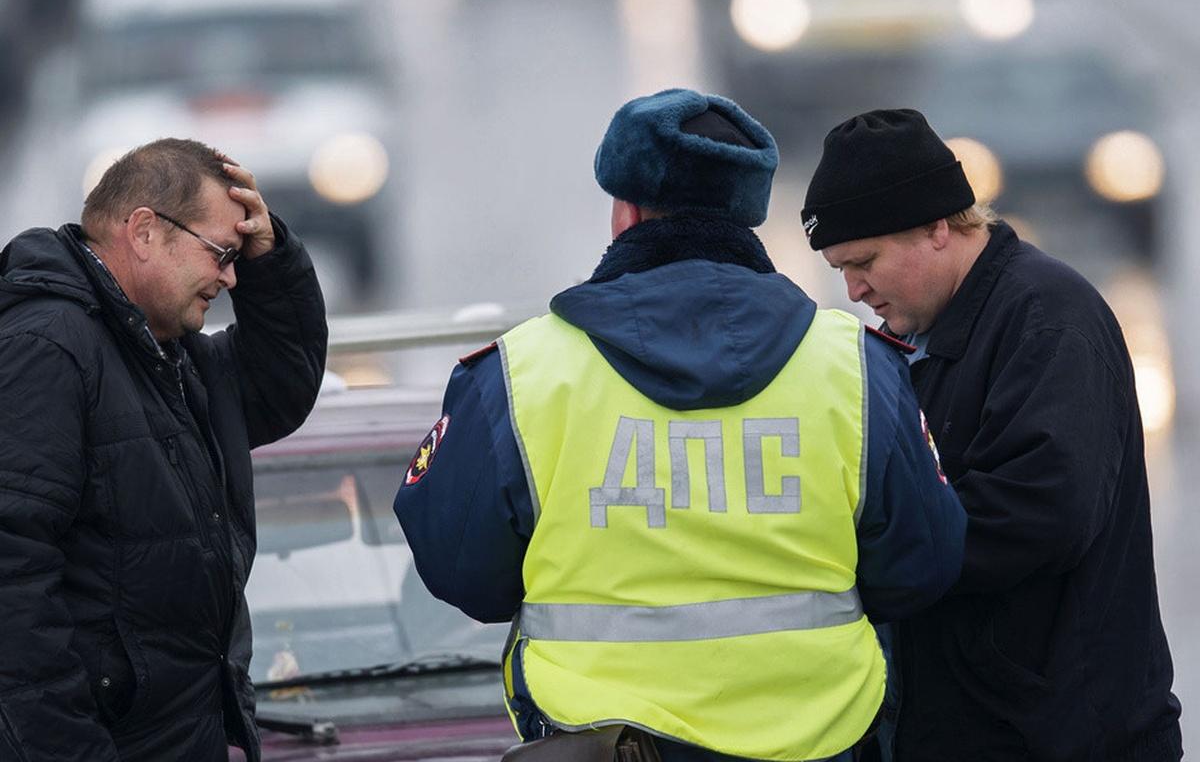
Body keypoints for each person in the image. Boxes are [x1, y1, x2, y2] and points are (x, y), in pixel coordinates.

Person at [393, 89, 966, 762]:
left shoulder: (522, 374)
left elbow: (463, 573)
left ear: (626, 211)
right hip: (821, 739)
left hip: (600, 740)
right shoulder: (855, 367)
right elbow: (923, 562)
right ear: (745, 216)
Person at [803, 108, 1183, 761]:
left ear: (935, 226)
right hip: (979, 731)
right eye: (839, 268)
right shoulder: (915, 341)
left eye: (863, 261)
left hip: (1063, 737)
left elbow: (1041, 511)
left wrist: (868, 560)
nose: (853, 288)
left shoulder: (1047, 317)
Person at [0, 139, 327, 761]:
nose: (231, 277)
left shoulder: (165, 355)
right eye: (222, 254)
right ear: (145, 231)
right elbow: (11, 592)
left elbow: (276, 388)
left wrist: (271, 259)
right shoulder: (47, 348)